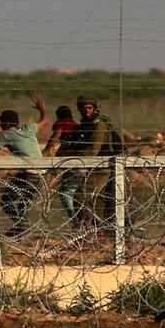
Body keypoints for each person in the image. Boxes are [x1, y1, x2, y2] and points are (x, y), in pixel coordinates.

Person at [0, 94, 48, 237]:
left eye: (2, 122)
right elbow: (45, 121)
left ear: (8, 123)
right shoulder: (28, 128)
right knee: (22, 205)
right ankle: (21, 229)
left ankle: (22, 227)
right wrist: (42, 109)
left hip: (29, 174)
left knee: (6, 201)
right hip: (41, 174)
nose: (0, 125)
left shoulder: (7, 134)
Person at [65, 95, 115, 238]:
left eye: (89, 108)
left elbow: (92, 150)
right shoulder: (86, 126)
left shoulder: (99, 125)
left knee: (80, 197)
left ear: (95, 108)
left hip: (102, 166)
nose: (86, 111)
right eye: (83, 108)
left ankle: (88, 231)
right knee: (98, 201)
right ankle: (98, 235)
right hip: (98, 166)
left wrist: (72, 155)